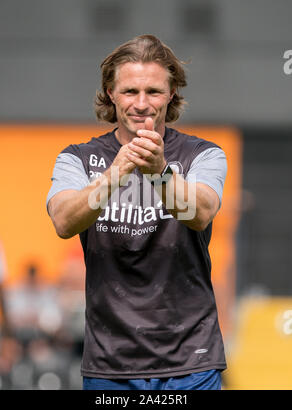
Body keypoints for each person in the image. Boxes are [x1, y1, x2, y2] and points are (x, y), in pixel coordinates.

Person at [46, 35, 227, 390]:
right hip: (110, 363)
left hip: (191, 358)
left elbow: (200, 212)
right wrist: (117, 171)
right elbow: (63, 221)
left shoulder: (203, 154)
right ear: (110, 93)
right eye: (130, 91)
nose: (142, 104)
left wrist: (159, 171)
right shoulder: (77, 158)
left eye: (154, 92)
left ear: (172, 93)